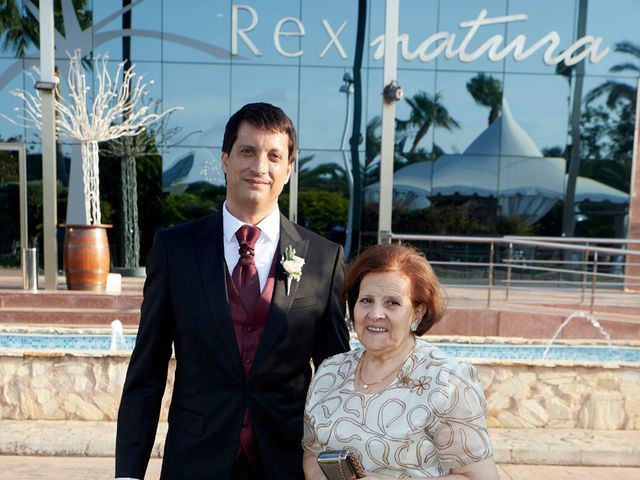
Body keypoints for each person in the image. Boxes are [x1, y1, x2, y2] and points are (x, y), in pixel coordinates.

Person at [115, 102, 350, 479]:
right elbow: (147, 372)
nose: (260, 167)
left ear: (288, 169)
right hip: (194, 461)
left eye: (274, 156)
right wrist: (128, 474)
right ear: (225, 160)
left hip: (286, 464)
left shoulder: (324, 257)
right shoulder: (174, 250)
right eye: (247, 151)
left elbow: (336, 379)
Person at [302, 244, 499, 479]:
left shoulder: (447, 381)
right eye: (366, 300)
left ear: (417, 312)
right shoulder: (330, 372)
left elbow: (479, 476)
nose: (375, 314)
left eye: (392, 303)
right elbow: (312, 456)